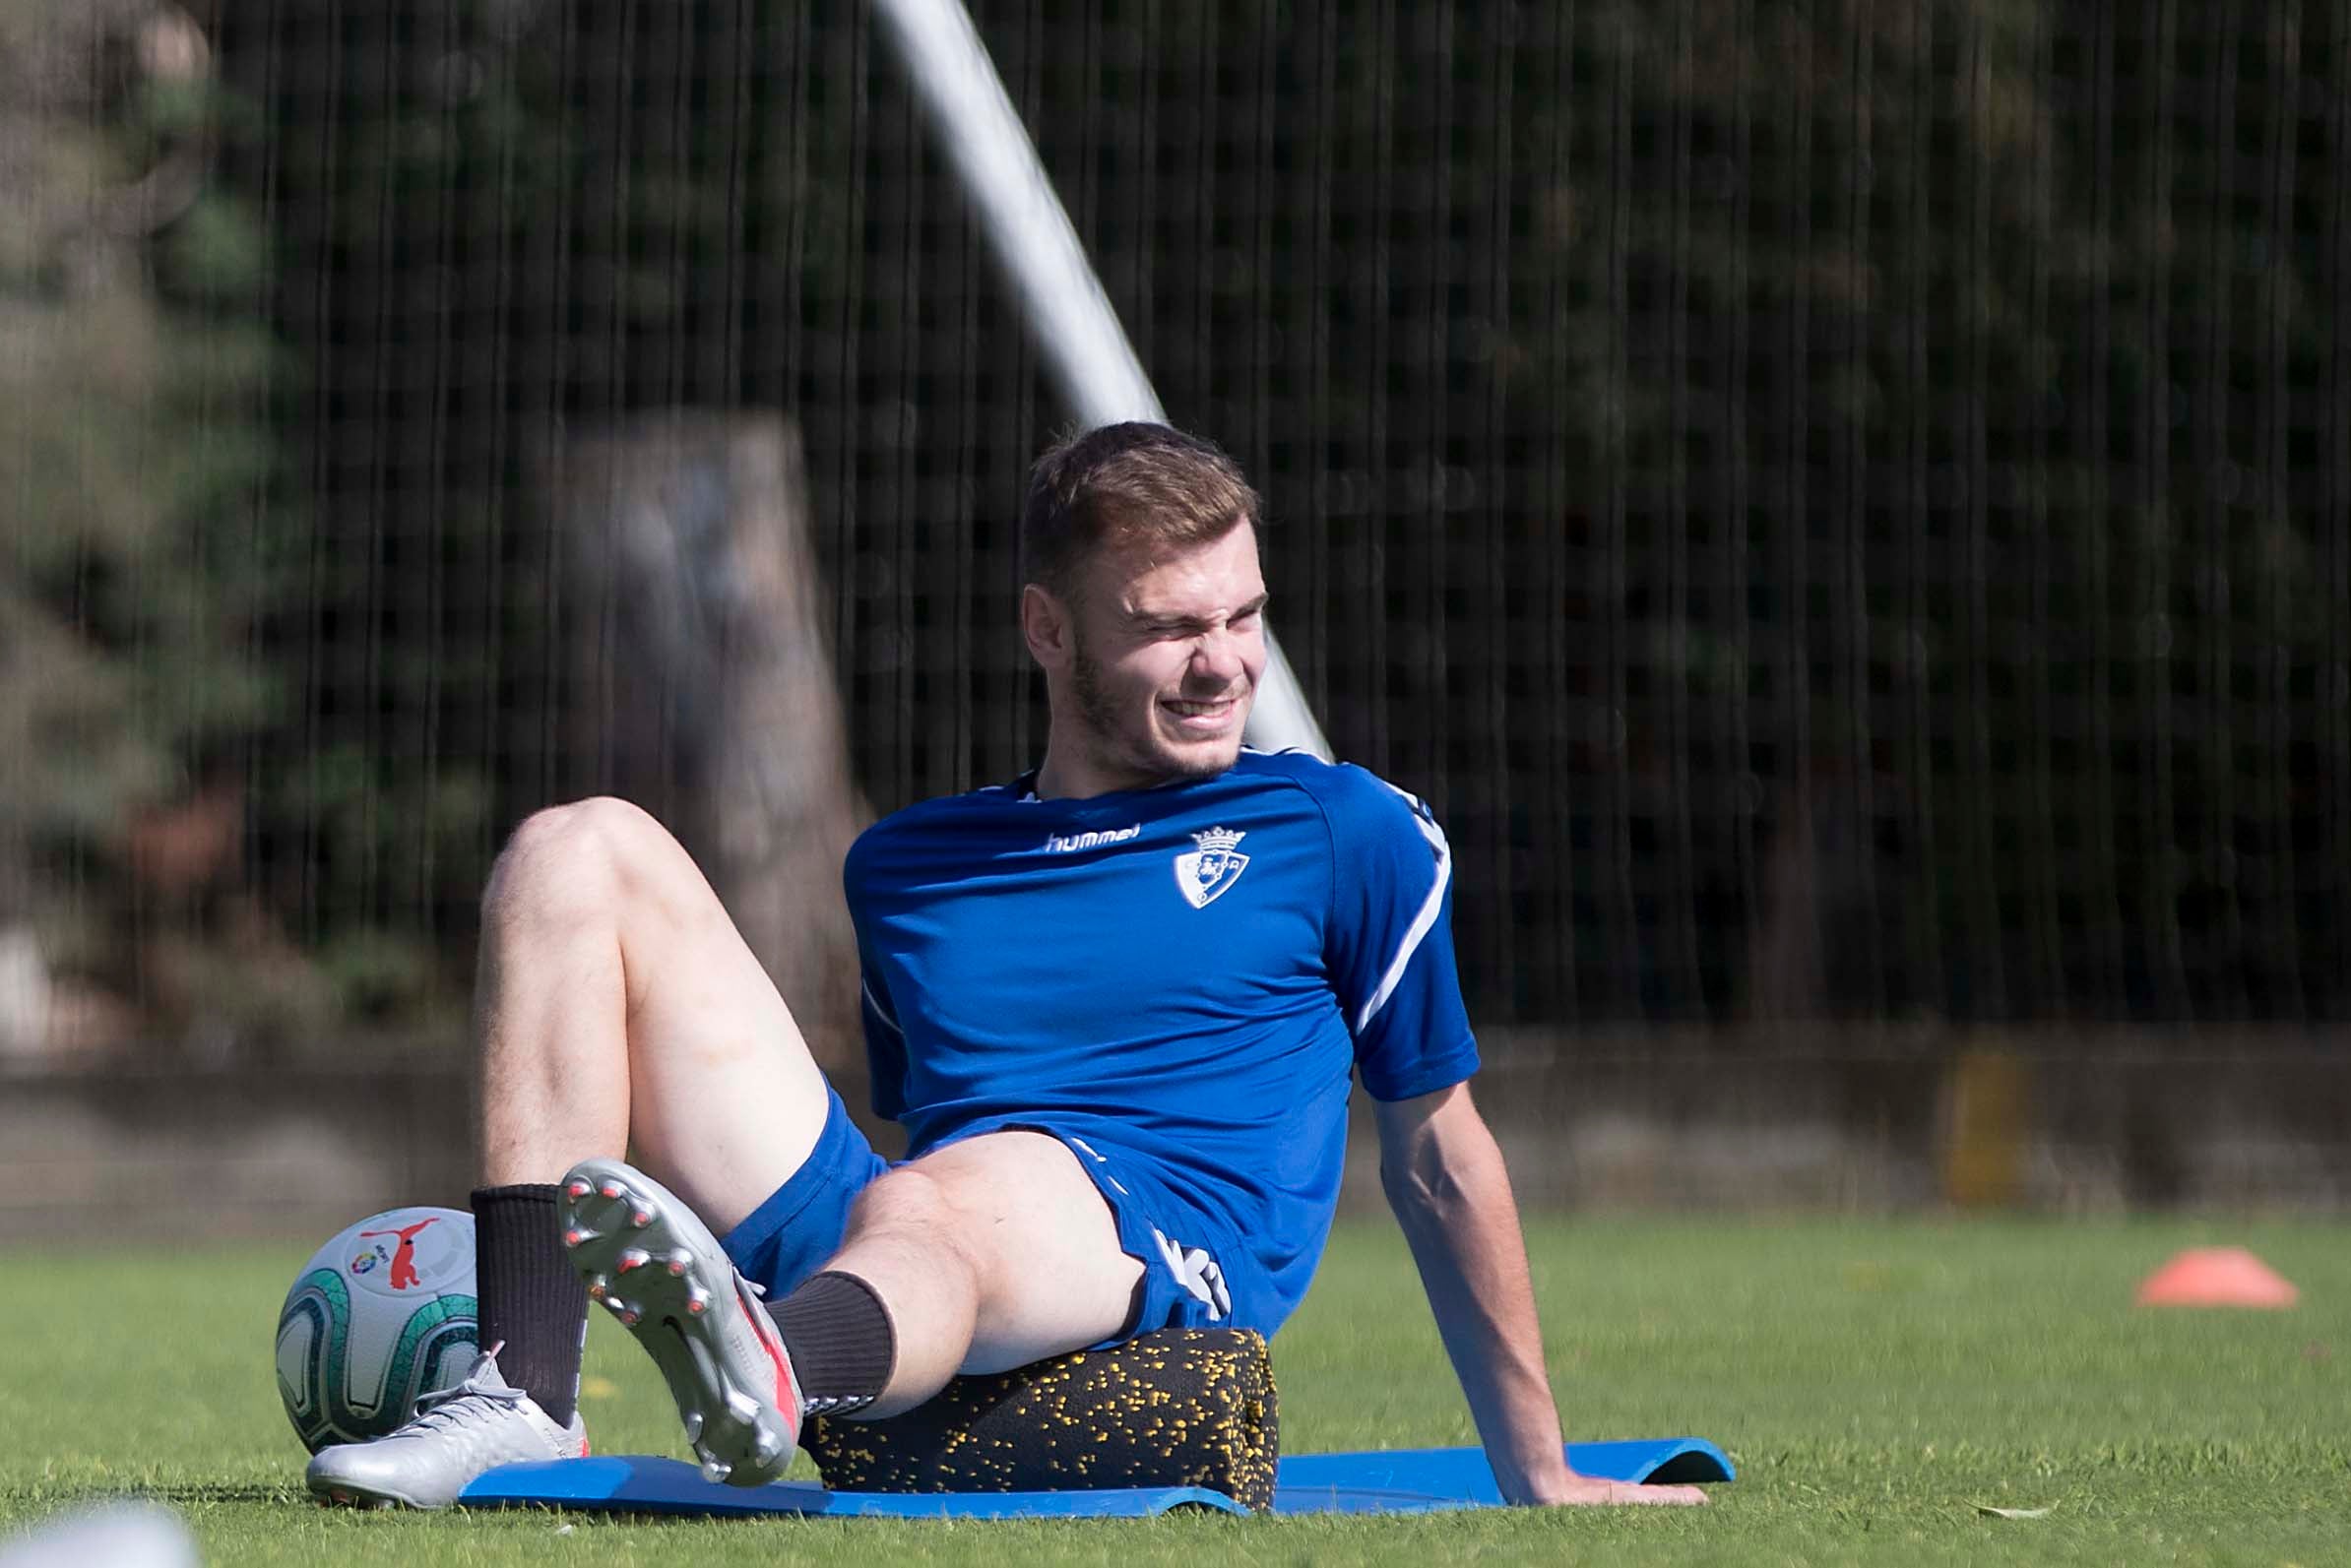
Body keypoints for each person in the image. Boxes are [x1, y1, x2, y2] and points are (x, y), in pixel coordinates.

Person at [305, 422, 1707, 1510]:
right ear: (1049, 629)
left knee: (966, 1187)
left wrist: (1537, 1465)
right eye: (1169, 624)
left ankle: (777, 1361)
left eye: (1241, 615)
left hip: (1152, 1250)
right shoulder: (907, 864)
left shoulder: (1341, 828)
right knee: (575, 845)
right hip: (917, 1250)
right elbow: (912, 1136)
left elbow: (1438, 1154)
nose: (1223, 663)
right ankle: (527, 1386)